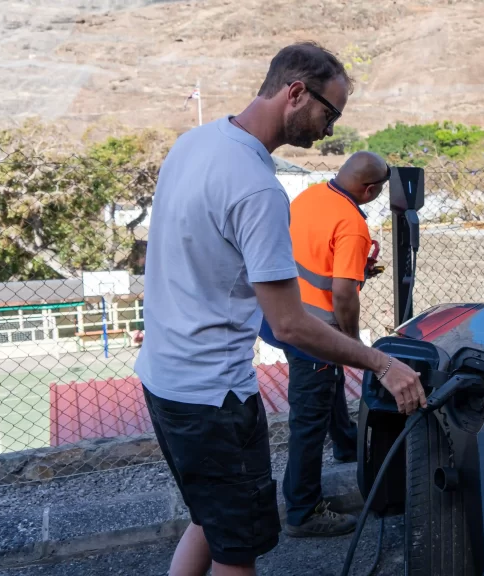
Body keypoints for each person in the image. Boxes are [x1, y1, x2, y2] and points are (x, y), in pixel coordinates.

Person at [134, 42, 425, 576]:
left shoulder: (193, 144)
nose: (330, 129)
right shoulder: (258, 188)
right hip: (212, 399)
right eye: (329, 112)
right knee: (236, 552)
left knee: (209, 518)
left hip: (162, 379)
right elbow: (290, 322)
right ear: (295, 93)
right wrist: (382, 362)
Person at [279, 151, 390, 537]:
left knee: (329, 384)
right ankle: (302, 510)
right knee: (308, 418)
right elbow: (343, 293)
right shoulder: (353, 225)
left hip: (288, 312)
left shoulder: (309, 196)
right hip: (316, 330)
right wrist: (351, 337)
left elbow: (311, 256)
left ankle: (346, 443)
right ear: (371, 189)